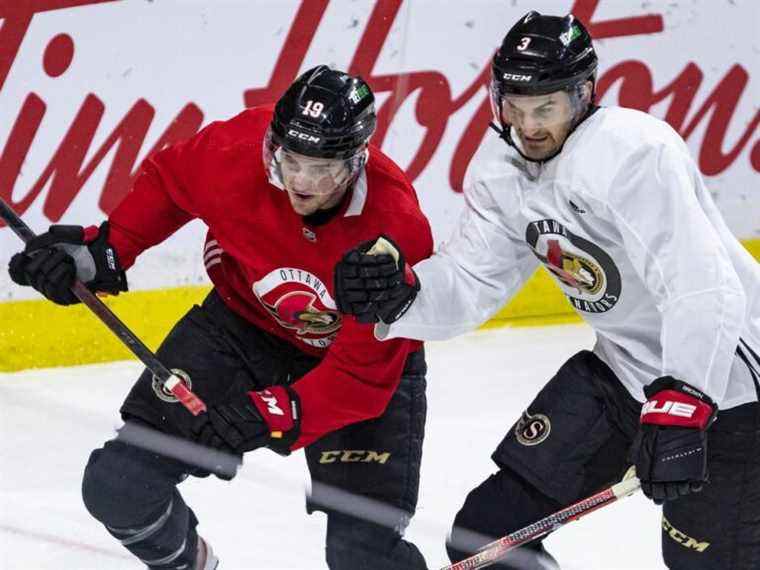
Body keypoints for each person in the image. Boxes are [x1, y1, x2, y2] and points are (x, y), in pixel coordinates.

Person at [334, 11, 760, 570]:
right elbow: (471, 279)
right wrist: (404, 295)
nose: (529, 125)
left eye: (546, 108)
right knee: (487, 538)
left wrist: (684, 397)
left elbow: (699, 283)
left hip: (728, 388)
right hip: (621, 376)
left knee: (704, 563)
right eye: (515, 106)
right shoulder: (502, 168)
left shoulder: (633, 154)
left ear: (583, 97)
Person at [8, 66, 433, 570]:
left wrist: (273, 413)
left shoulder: (395, 227)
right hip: (240, 331)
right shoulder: (236, 149)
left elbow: (363, 377)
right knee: (120, 484)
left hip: (348, 367)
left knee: (363, 557)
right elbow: (169, 183)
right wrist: (103, 253)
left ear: (355, 161)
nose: (299, 181)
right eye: (289, 160)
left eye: (322, 169)